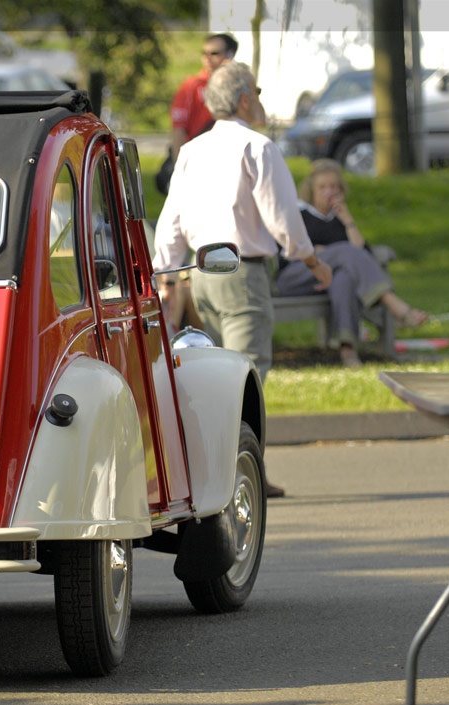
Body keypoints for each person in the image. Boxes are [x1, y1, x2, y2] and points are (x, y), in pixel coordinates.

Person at [153, 61, 333, 499]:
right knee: (245, 377)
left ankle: (232, 471)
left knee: (217, 377)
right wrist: (311, 261)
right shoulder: (258, 147)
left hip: (201, 274)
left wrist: (166, 273)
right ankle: (237, 475)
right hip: (242, 273)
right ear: (245, 99)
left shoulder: (193, 150)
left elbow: (172, 218)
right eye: (257, 90)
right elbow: (283, 216)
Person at [276, 159, 429, 367]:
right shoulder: (299, 215)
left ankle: (348, 350)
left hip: (328, 282)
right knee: (344, 251)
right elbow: (287, 252)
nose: (328, 192)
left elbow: (363, 255)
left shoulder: (339, 220)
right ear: (311, 189)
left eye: (334, 187)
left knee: (344, 279)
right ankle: (395, 306)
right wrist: (325, 254)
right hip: (294, 278)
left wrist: (348, 220)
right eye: (322, 187)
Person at [155, 33, 239, 197]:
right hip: (198, 163)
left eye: (214, 53)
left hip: (229, 163)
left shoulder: (239, 85)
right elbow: (178, 130)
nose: (207, 58)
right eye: (204, 53)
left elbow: (256, 118)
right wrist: (181, 169)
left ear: (230, 54)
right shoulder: (191, 86)